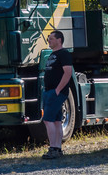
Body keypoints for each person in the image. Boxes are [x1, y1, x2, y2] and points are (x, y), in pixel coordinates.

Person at [41, 30, 73, 159]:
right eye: (49, 38)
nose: (49, 40)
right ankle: (58, 149)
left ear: (59, 40)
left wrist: (58, 90)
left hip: (56, 92)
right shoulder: (52, 54)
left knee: (47, 120)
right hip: (50, 91)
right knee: (56, 121)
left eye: (51, 38)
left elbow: (68, 72)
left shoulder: (63, 54)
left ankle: (53, 148)